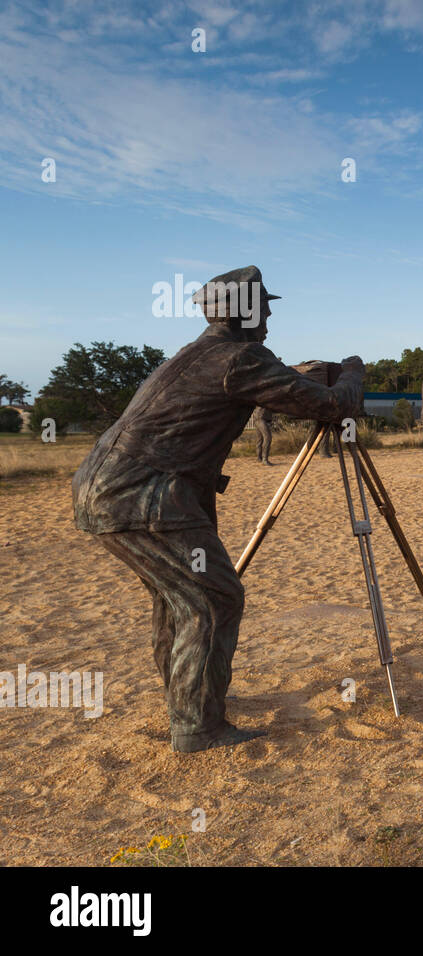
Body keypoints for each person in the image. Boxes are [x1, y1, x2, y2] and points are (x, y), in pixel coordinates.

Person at [71, 266, 364, 753]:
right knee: (213, 599)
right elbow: (334, 405)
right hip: (143, 494)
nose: (270, 314)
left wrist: (299, 375)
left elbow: (278, 385)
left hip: (108, 488)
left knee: (179, 600)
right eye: (263, 305)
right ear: (245, 311)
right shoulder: (241, 358)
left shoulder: (201, 354)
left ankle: (190, 703)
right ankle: (198, 728)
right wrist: (353, 369)